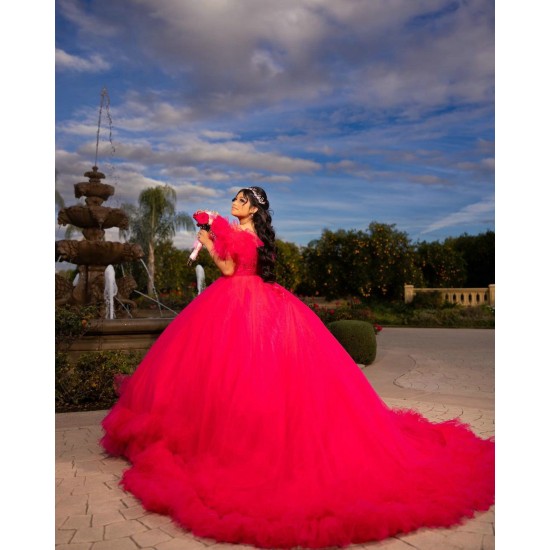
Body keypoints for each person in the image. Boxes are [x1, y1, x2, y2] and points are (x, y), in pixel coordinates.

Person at [101, 186, 494, 549]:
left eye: (241, 200)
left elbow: (225, 271)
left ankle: (231, 439)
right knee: (256, 372)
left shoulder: (237, 235)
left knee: (229, 371)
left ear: (253, 208)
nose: (234, 204)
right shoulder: (258, 238)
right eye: (235, 200)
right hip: (260, 299)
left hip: (235, 300)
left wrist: (207, 241)